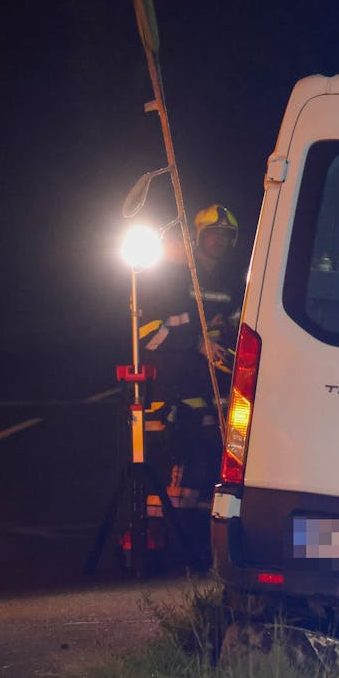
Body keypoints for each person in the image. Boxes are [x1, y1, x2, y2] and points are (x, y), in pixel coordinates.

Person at [137, 204, 246, 570]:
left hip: (216, 390)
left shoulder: (232, 282)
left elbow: (237, 325)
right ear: (198, 237)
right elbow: (149, 334)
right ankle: (159, 545)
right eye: (214, 234)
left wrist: (224, 338)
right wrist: (196, 339)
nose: (220, 241)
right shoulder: (172, 278)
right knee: (175, 468)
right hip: (175, 389)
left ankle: (198, 548)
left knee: (211, 470)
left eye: (227, 236)